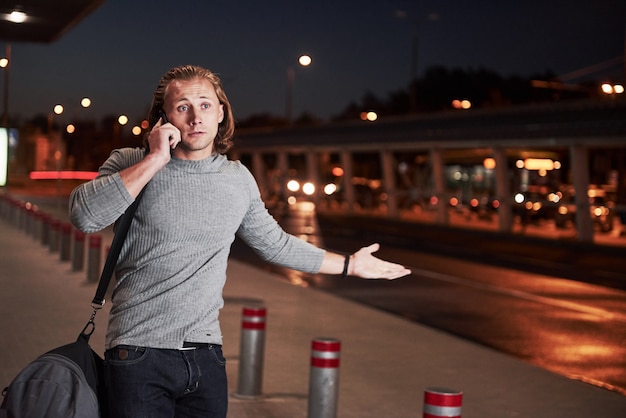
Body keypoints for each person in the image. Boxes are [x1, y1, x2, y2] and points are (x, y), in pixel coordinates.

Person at [69, 64, 411, 418]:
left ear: (221, 112)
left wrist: (349, 265)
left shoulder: (237, 179)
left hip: (206, 356)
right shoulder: (130, 162)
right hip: (137, 352)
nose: (195, 117)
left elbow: (274, 243)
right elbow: (85, 216)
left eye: (204, 105)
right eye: (182, 107)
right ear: (163, 118)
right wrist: (156, 158)